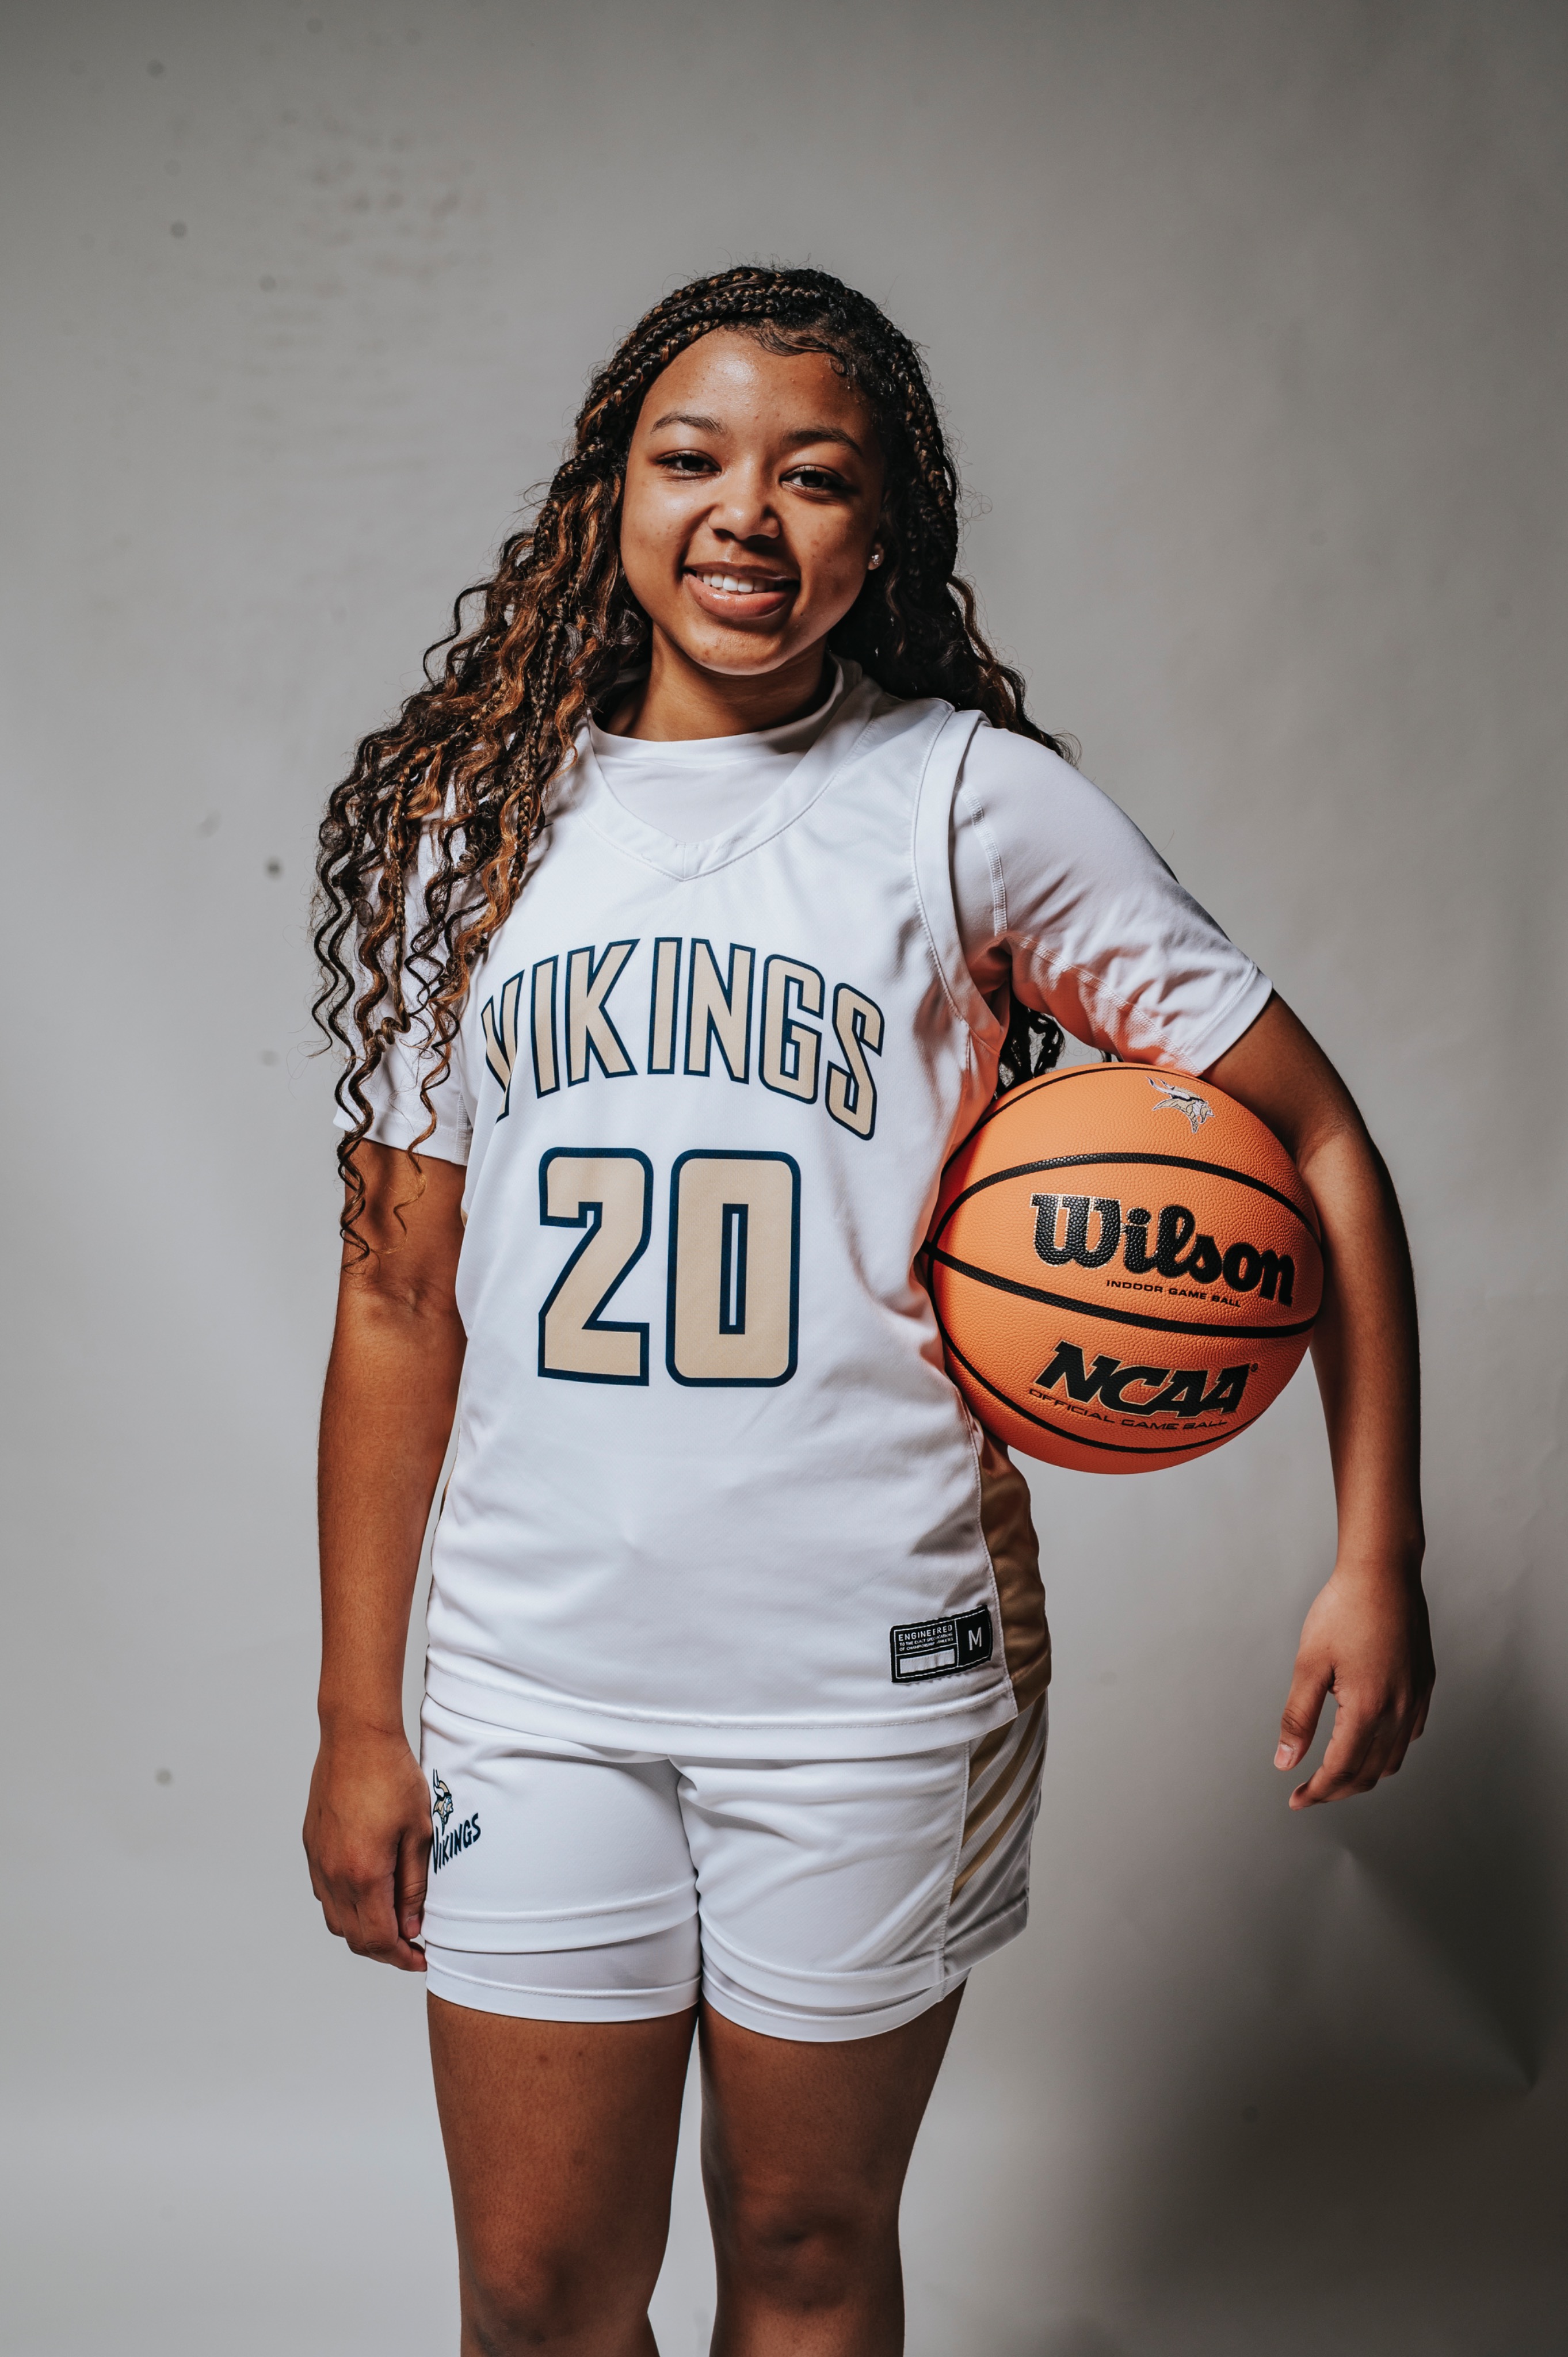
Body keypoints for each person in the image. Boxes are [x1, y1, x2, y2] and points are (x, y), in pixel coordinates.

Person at [303, 265, 1433, 2356]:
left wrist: (1378, 1556)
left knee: (809, 2258)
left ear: (883, 531)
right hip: (536, 1678)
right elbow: (397, 1296)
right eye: (693, 459)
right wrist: (359, 1719)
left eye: (816, 476)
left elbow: (1320, 1141)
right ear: (612, 496)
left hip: (871, 1672)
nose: (749, 512)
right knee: (538, 2296)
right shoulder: (479, 829)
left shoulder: (961, 801)